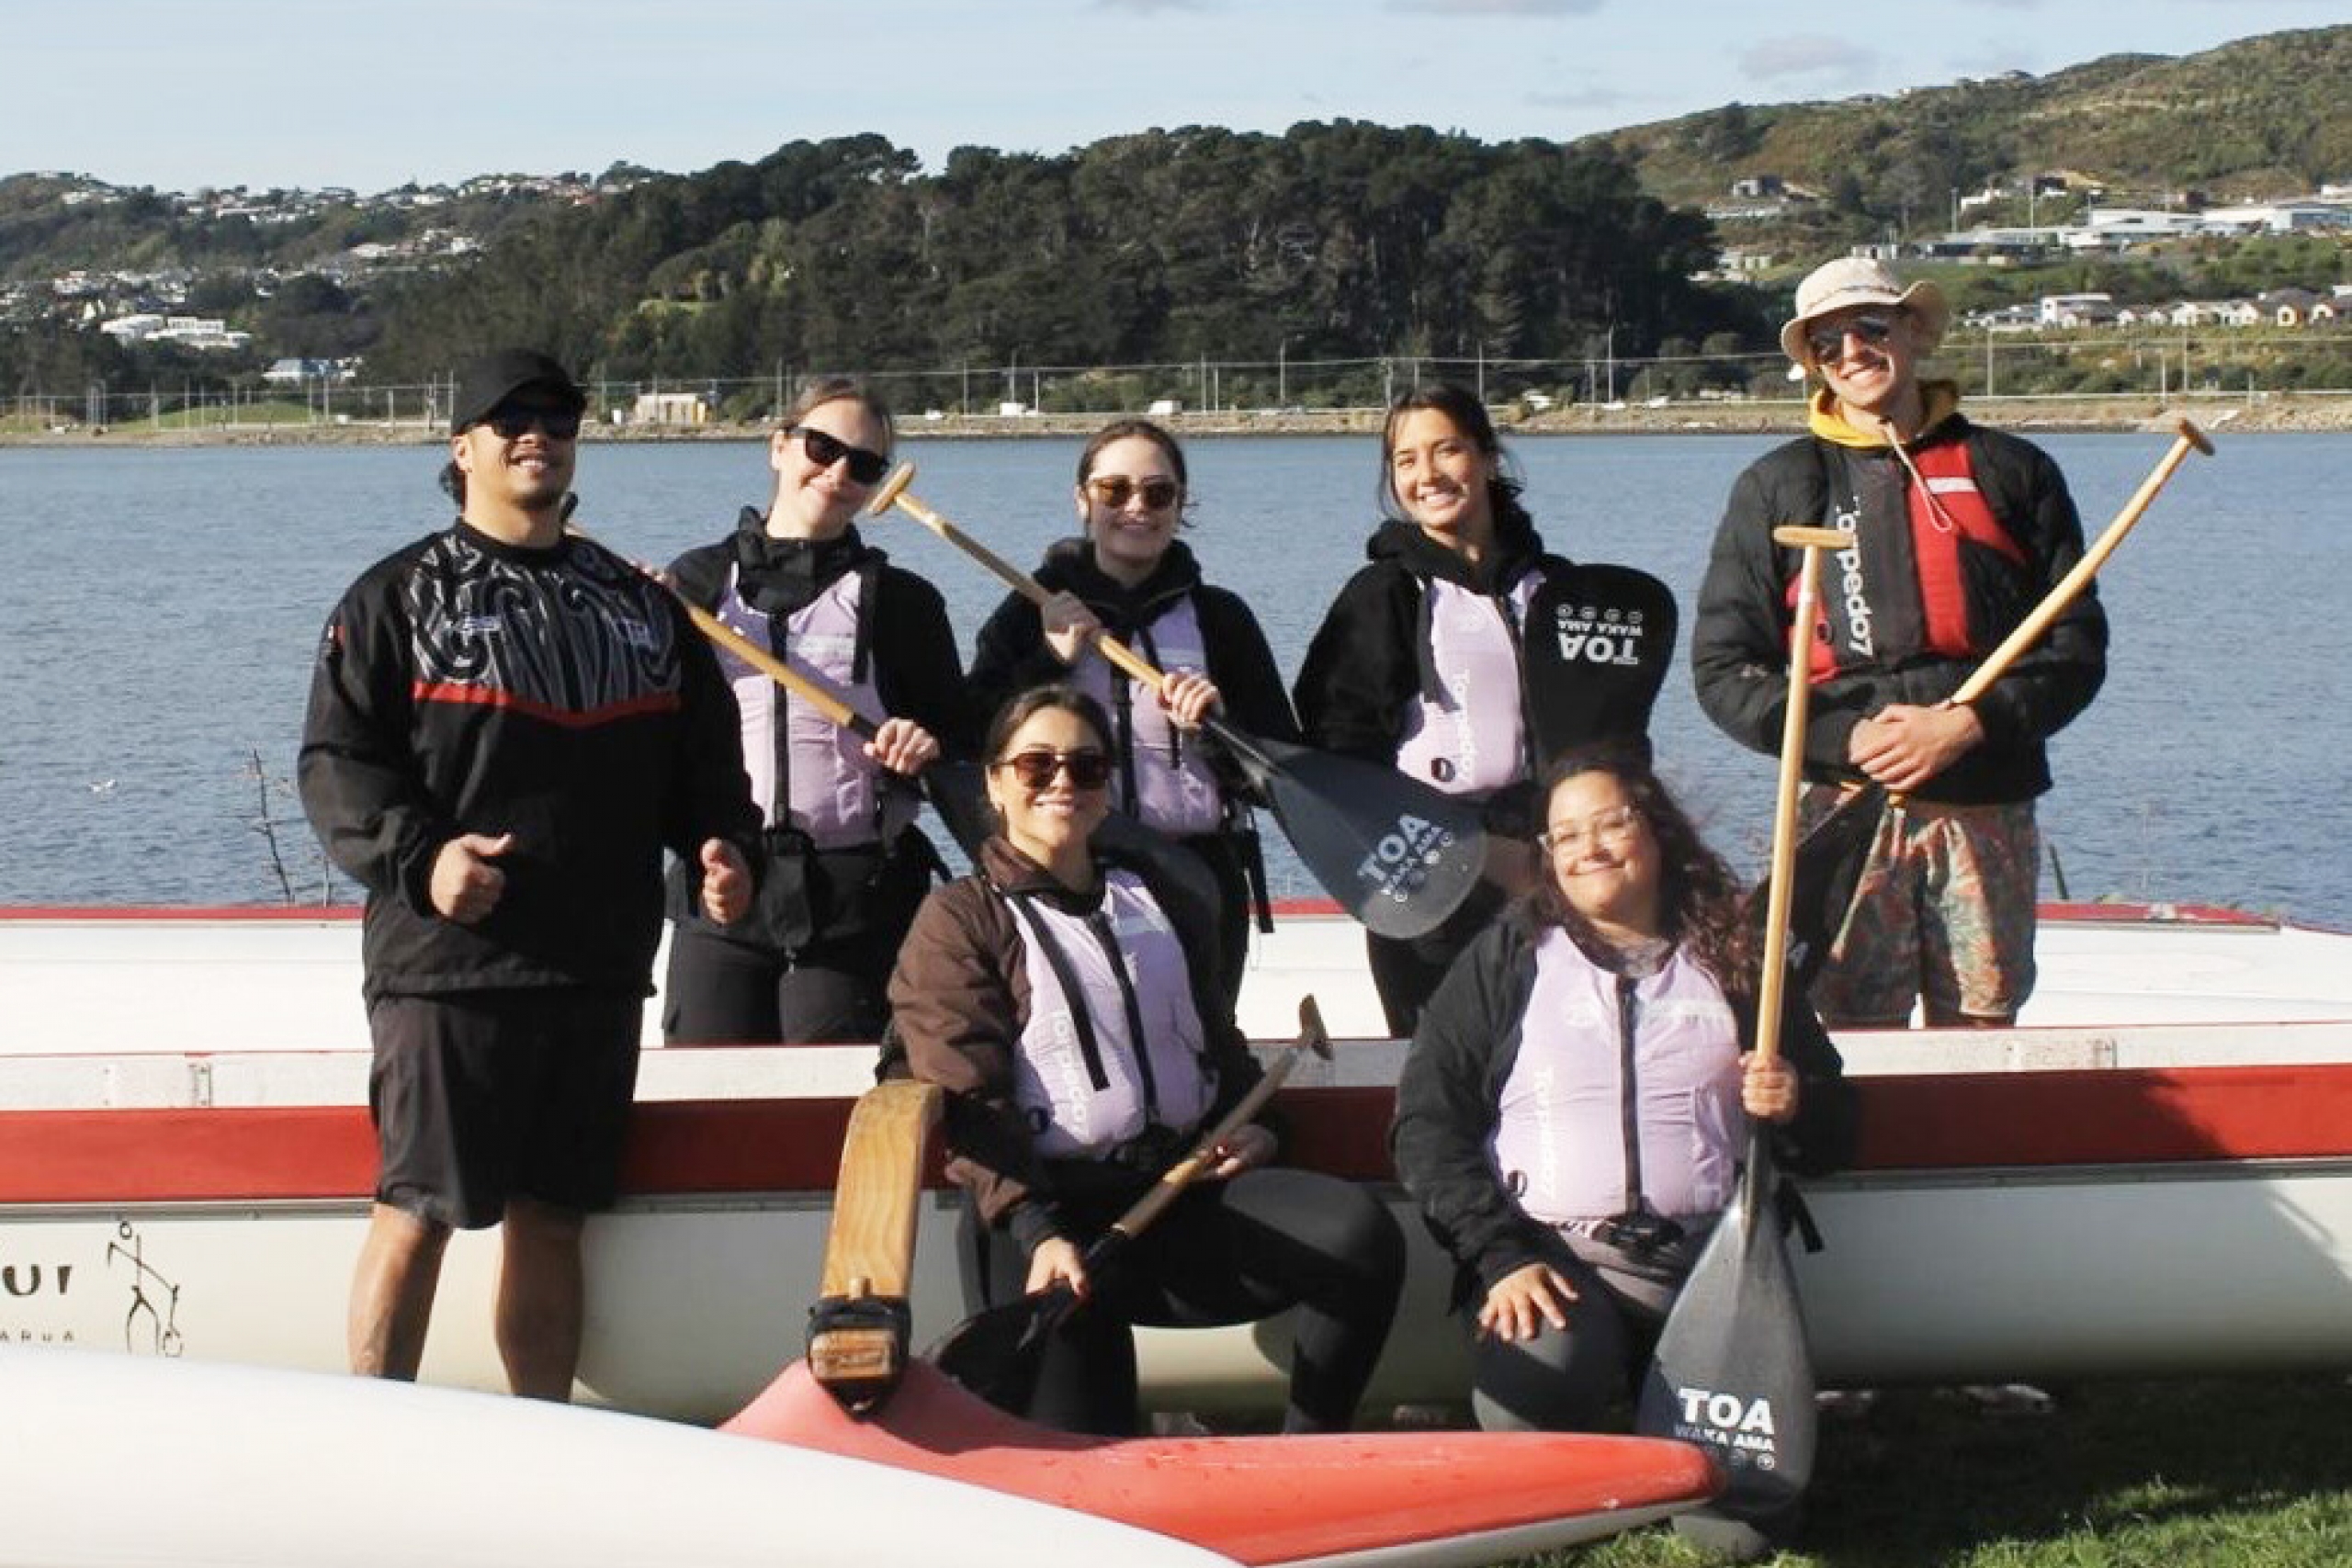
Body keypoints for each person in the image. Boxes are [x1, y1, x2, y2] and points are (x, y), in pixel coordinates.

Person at [299, 348, 761, 1399]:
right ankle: (370, 1438)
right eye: (508, 418)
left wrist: (722, 845)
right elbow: (337, 766)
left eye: (555, 415)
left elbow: (705, 765)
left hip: (595, 966)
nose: (535, 433)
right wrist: (424, 862)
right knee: (416, 1209)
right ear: (461, 448)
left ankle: (543, 1441)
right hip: (448, 965)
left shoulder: (641, 611)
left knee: (554, 1219)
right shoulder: (394, 598)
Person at [885, 685, 1405, 1437]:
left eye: (1086, 766)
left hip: (1171, 1198)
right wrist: (1038, 1229)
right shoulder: (962, 918)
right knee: (1088, 1447)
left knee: (1358, 1238)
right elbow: (966, 1095)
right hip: (1048, 1222)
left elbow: (1214, 1042)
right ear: (995, 784)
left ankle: (1303, 1455)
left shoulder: (1154, 892)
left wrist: (1263, 1129)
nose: (1062, 781)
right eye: (1036, 765)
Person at [1691, 257, 2108, 1028]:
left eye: (1870, 329)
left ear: (1914, 333)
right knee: (1846, 1026)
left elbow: (2076, 648)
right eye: (1826, 344)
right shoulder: (1776, 486)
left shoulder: (2013, 471)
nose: (1851, 352)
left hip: (1987, 805)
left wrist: (1967, 725)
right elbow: (1723, 669)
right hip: (1845, 809)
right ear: (1811, 363)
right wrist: (1846, 735)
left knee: (1983, 1024)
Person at [1391, 746, 1855, 1436]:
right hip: (1554, 1264)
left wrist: (1796, 1099)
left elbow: (1836, 1130)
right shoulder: (1507, 957)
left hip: (1713, 1268)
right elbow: (1425, 1125)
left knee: (1732, 1538)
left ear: (1657, 830)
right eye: (1566, 835)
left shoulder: (1736, 959)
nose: (1589, 849)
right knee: (1535, 1395)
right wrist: (1501, 1257)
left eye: (1610, 824)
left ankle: (1670, 1411)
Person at [1294, 384, 1675, 1037]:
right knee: (1449, 1074)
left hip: (1560, 868)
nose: (1427, 475)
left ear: (1489, 457)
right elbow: (1337, 766)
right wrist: (1478, 855)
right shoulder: (1381, 594)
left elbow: (1617, 738)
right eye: (1405, 460)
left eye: (1447, 450)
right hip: (1431, 884)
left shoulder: (1559, 588)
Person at [662, 378, 973, 1045]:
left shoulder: (904, 603)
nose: (837, 473)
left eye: (863, 465)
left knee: (833, 1110)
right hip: (723, 887)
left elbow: (960, 737)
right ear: (779, 445)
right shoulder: (690, 586)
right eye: (822, 447)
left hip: (851, 903)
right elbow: (653, 738)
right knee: (709, 1108)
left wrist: (925, 744)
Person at [968, 419, 1294, 1008]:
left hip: (1198, 877)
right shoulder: (1030, 610)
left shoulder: (1222, 618)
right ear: (1082, 500)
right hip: (1070, 875)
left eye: (1158, 492)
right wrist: (1049, 660)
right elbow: (975, 737)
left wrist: (1219, 732)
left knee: (1201, 1053)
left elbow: (1281, 775)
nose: (1136, 507)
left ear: (1180, 503)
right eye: (1114, 490)